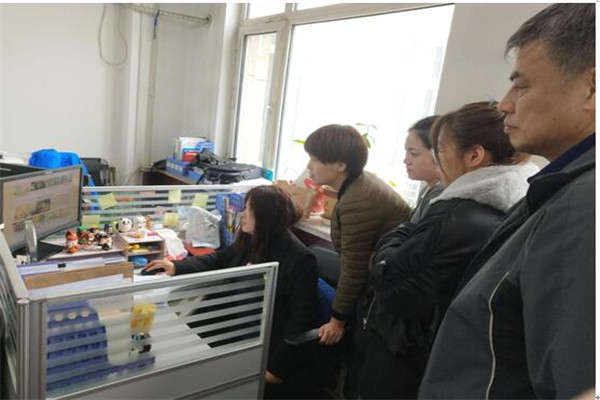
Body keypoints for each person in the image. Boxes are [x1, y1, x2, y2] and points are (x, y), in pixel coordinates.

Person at [418, 4, 595, 399]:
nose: (504, 103)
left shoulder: (584, 207)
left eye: (522, 85)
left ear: (592, 87)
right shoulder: (558, 186)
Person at [357, 102, 536, 399]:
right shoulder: (517, 202)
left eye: (440, 149)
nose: (436, 159)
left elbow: (393, 286)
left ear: (474, 155)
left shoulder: (454, 214)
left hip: (406, 356)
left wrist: (396, 237)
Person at [144, 185, 318, 398]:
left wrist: (277, 367)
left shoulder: (300, 259)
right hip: (230, 327)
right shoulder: (253, 240)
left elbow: (301, 320)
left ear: (266, 216)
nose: (242, 214)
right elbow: (219, 258)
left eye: (249, 209)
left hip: (263, 343)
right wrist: (176, 267)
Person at [304, 124, 411, 396]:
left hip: (382, 292)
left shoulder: (358, 200)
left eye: (315, 159)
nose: (309, 166)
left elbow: (354, 270)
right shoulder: (358, 185)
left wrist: (338, 320)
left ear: (340, 165)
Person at [404, 115, 443, 223]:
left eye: (413, 154)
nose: (406, 160)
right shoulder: (427, 189)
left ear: (438, 154)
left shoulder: (440, 196)